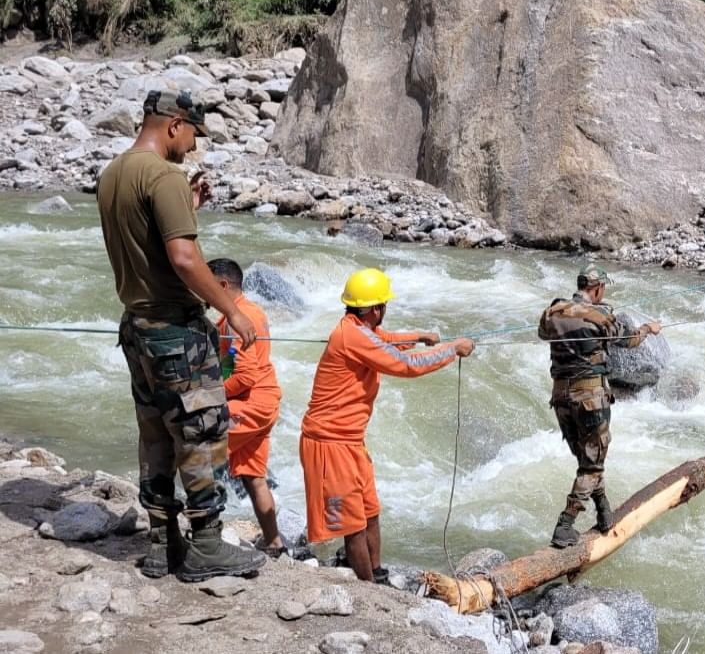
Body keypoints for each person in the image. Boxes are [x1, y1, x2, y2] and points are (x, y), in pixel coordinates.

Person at [98, 89, 266, 582]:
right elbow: (185, 260)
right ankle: (208, 545)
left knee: (155, 434)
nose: (192, 147)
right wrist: (232, 310)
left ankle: (161, 544)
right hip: (176, 330)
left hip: (137, 327)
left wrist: (187, 207)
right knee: (202, 430)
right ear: (174, 123)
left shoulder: (114, 174)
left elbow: (145, 246)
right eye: (193, 134)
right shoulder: (163, 175)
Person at [299, 268, 475, 582]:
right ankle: (368, 590)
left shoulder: (357, 329)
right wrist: (452, 349)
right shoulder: (352, 335)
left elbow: (385, 340)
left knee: (370, 511)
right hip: (328, 442)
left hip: (350, 441)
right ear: (377, 308)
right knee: (352, 525)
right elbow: (408, 365)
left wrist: (418, 337)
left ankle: (376, 574)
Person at [538, 265, 661, 549]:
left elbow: (543, 333)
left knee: (587, 460)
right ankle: (565, 525)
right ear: (597, 289)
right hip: (590, 398)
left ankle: (604, 511)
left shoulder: (553, 311)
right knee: (592, 465)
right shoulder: (601, 315)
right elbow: (627, 340)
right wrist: (649, 329)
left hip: (560, 398)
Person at [207, 258, 286, 556]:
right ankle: (274, 542)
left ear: (223, 286)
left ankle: (205, 537)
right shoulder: (251, 311)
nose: (204, 293)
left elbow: (244, 375)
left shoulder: (237, 318)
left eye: (207, 286)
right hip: (266, 402)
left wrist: (210, 393)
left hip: (250, 404)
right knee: (254, 477)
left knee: (200, 456)